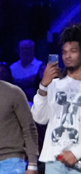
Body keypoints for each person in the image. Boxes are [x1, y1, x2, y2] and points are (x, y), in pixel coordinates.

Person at [32, 24, 81, 174]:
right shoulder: (54, 85)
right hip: (54, 159)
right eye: (64, 52)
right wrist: (43, 86)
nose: (67, 56)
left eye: (73, 51)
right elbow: (39, 118)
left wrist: (77, 152)